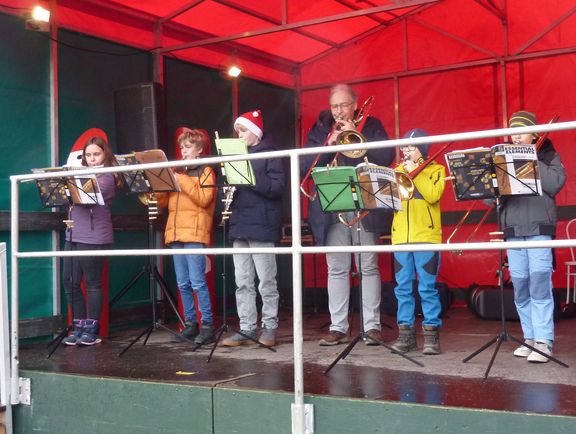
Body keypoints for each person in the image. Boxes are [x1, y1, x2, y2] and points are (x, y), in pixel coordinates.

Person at [301, 84, 394, 346]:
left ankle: (372, 327)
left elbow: (388, 155)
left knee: (367, 266)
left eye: (343, 105)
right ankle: (338, 327)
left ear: (355, 104)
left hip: (364, 202)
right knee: (337, 268)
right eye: (334, 106)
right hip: (332, 205)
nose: (339, 111)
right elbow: (302, 167)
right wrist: (329, 146)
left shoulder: (372, 125)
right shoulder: (321, 128)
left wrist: (356, 137)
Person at [503, 111, 565, 363]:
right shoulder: (502, 158)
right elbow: (488, 198)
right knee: (520, 288)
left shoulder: (547, 154)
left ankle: (544, 340)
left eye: (521, 131)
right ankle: (529, 337)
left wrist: (530, 159)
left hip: (539, 227)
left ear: (534, 134)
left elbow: (555, 183)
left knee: (539, 285)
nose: (515, 136)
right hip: (513, 230)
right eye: (512, 131)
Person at [222, 110, 285, 348]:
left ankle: (269, 327)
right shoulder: (236, 155)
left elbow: (278, 188)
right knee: (243, 281)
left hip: (262, 223)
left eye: (243, 130)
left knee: (266, 281)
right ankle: (247, 327)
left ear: (255, 131)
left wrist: (248, 177)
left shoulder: (271, 154)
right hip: (240, 222)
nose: (239, 134)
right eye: (237, 130)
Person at [156, 128, 217, 345]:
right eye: (182, 147)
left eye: (188, 147)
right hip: (175, 232)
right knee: (182, 283)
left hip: (194, 231)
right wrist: (161, 186)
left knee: (198, 282)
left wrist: (181, 180)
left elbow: (204, 198)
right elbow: (162, 203)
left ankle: (208, 325)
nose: (183, 151)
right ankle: (191, 323)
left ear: (199, 150)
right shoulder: (178, 171)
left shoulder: (206, 171)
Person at [390, 129, 445, 355]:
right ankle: (406, 335)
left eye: (411, 147)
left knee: (427, 288)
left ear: (422, 149)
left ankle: (431, 337)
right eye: (404, 146)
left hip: (427, 237)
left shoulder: (436, 170)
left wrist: (416, 172)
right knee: (402, 288)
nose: (406, 151)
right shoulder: (395, 171)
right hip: (400, 237)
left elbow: (433, 195)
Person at [62, 136, 120, 346]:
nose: (92, 158)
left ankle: (91, 329)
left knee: (93, 283)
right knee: (69, 281)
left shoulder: (107, 176)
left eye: (96, 154)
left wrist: (69, 181)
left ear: (105, 155)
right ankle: (78, 326)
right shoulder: (80, 173)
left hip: (94, 235)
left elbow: (84, 196)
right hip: (73, 233)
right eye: (88, 155)